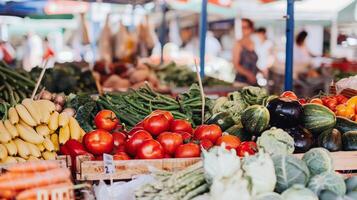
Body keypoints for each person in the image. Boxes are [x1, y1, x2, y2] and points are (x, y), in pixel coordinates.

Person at [232, 19, 258, 85]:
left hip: (253, 82)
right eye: (241, 27)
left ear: (251, 29)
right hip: (241, 82)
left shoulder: (254, 43)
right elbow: (236, 65)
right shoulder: (238, 44)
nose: (243, 30)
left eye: (245, 27)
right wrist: (249, 75)